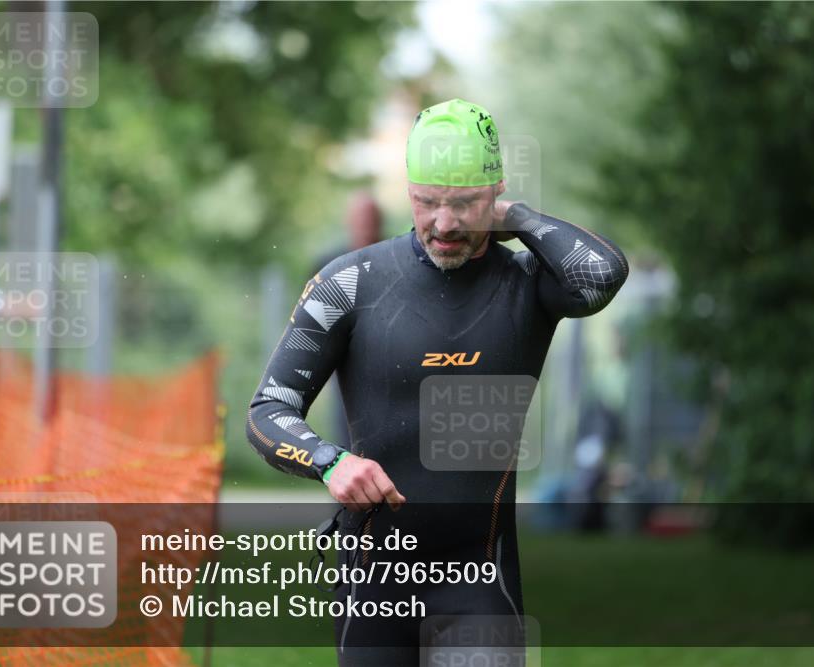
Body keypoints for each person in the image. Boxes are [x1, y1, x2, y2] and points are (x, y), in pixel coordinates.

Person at [246, 98, 629, 666]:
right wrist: (331, 462)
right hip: (374, 582)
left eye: (465, 204)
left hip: (478, 581)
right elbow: (268, 410)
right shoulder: (349, 283)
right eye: (427, 202)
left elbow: (603, 273)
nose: (444, 224)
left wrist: (518, 218)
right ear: (408, 192)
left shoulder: (527, 284)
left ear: (495, 193)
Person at [310, 192, 384, 448]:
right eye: (361, 219)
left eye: (371, 219)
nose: (366, 225)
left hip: (389, 357)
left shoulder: (397, 259)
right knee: (349, 433)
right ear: (349, 222)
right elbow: (313, 318)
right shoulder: (329, 264)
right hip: (344, 362)